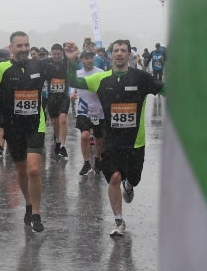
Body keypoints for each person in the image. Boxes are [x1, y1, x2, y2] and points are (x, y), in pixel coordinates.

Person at [65, 39, 164, 237]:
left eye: (123, 50)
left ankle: (130, 185)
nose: (119, 53)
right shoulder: (101, 79)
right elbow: (73, 81)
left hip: (135, 142)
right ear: (110, 55)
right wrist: (71, 60)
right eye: (116, 50)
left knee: (133, 179)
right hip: (111, 141)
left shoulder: (141, 78)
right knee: (114, 178)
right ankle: (119, 221)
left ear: (129, 55)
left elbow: (165, 89)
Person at [0, 32, 52, 233]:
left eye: (26, 45)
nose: (24, 49)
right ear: (10, 48)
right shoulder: (1, 69)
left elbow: (60, 71)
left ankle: (37, 214)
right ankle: (29, 205)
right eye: (19, 46)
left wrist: (70, 57)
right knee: (22, 171)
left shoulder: (38, 66)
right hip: (14, 128)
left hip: (36, 124)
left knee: (34, 170)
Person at [70, 51, 105, 176]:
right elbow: (71, 87)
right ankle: (86, 163)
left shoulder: (100, 72)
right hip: (83, 109)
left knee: (99, 138)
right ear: (81, 60)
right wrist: (72, 94)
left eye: (91, 58)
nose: (89, 60)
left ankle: (97, 158)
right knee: (85, 135)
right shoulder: (78, 74)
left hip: (99, 110)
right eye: (86, 58)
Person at [44, 43, 71, 158]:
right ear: (51, 53)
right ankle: (58, 141)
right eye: (54, 54)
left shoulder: (66, 63)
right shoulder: (46, 63)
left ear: (62, 53)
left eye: (58, 54)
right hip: (52, 96)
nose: (56, 56)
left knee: (63, 119)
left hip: (64, 95)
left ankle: (63, 146)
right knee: (55, 122)